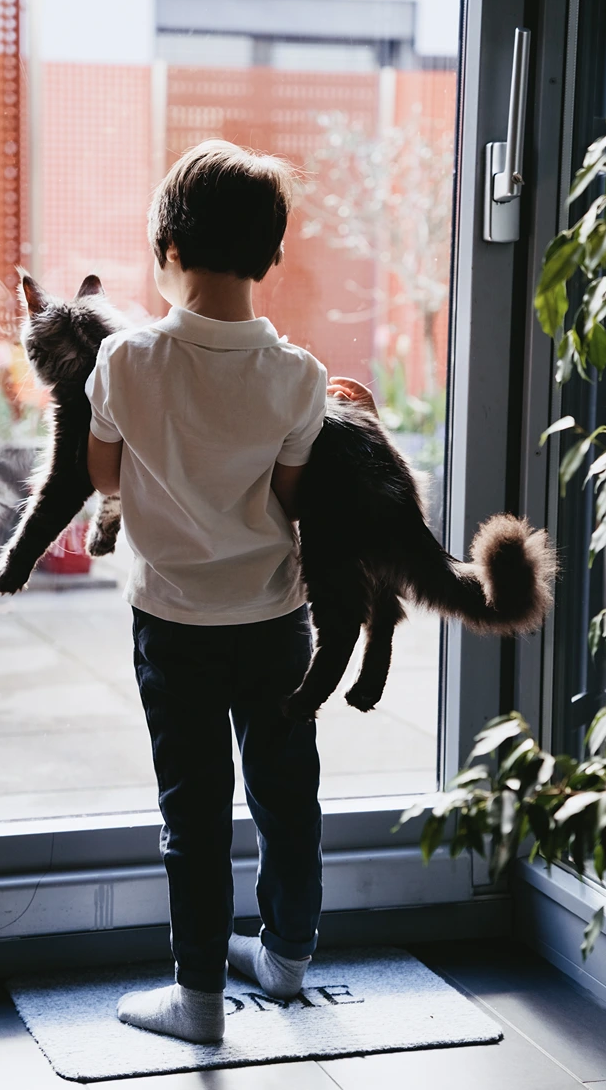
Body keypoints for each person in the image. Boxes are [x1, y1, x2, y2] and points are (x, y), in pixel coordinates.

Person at [85, 139, 372, 1044]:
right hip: (277, 620)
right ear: (272, 256)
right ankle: (287, 955)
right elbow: (291, 499)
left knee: (195, 809)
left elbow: (105, 480)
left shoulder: (125, 363)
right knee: (287, 793)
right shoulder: (297, 376)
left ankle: (198, 996)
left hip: (173, 622)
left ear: (167, 248)